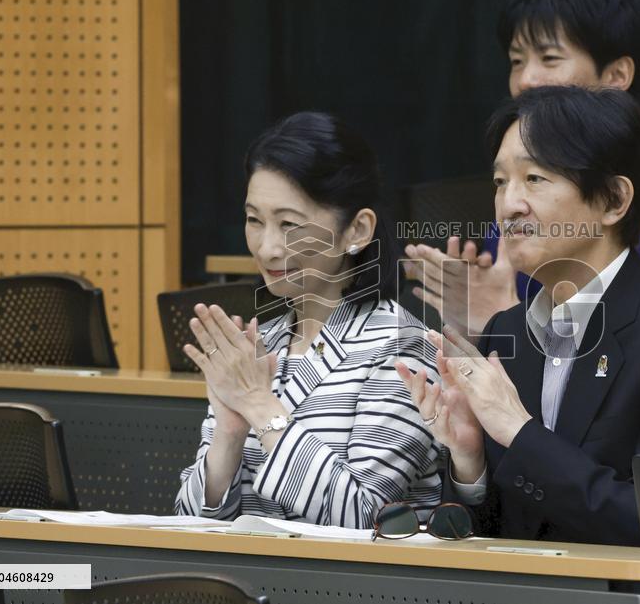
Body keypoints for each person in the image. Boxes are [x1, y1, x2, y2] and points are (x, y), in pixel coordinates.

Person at [397, 86, 640, 545]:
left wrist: (518, 432)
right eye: (501, 182)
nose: (509, 205)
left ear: (614, 200)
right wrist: (469, 462)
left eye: (535, 178)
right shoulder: (507, 330)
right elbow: (492, 533)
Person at [176, 112, 442, 527]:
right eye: (254, 220)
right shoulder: (260, 343)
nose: (267, 248)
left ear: (357, 229)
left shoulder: (402, 346)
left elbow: (365, 515)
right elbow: (191, 524)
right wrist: (227, 435)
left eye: (289, 224)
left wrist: (260, 407)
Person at [403, 0, 640, 340]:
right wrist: (477, 330)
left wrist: (501, 322)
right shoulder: (516, 205)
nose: (525, 80)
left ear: (616, 75)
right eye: (516, 61)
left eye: (549, 58)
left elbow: (638, 368)